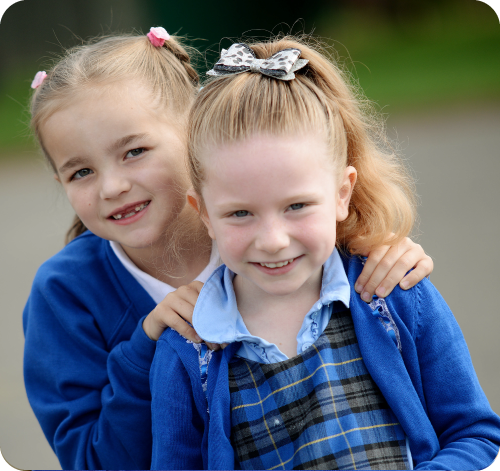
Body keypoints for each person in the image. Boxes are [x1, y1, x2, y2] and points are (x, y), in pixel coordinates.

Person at [23, 28, 432, 470]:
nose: (113, 186)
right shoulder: (63, 294)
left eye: (134, 151)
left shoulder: (285, 236)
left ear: (194, 131)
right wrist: (145, 349)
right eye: (80, 172)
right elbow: (91, 462)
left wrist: (394, 259)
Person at [150, 38, 500, 470]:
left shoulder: (397, 295)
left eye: (296, 206)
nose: (273, 240)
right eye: (240, 213)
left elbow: (476, 437)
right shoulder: (188, 351)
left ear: (341, 193)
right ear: (203, 214)